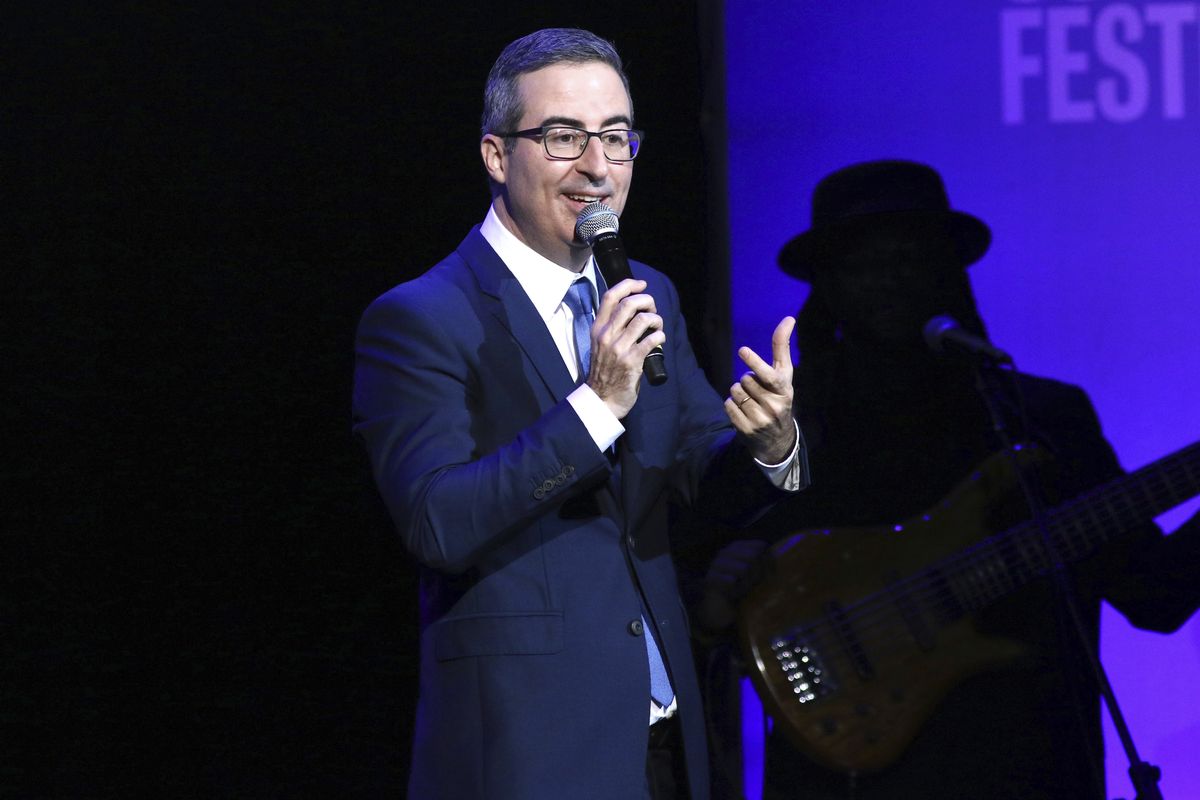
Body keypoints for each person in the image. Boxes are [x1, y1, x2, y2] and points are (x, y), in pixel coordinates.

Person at [352, 28, 808, 800]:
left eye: (616, 138)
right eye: (564, 137)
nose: (597, 168)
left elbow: (697, 467)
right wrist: (594, 408)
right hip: (531, 752)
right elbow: (436, 522)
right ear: (498, 155)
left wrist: (770, 445)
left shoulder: (644, 292)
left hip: (664, 741)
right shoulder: (423, 318)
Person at [694, 160, 1200, 799]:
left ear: (948, 276)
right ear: (830, 286)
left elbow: (1154, 594)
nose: (891, 280)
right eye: (864, 262)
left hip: (1028, 768)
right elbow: (697, 579)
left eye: (912, 258)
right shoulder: (783, 427)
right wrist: (720, 589)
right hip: (848, 777)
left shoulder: (1038, 419)